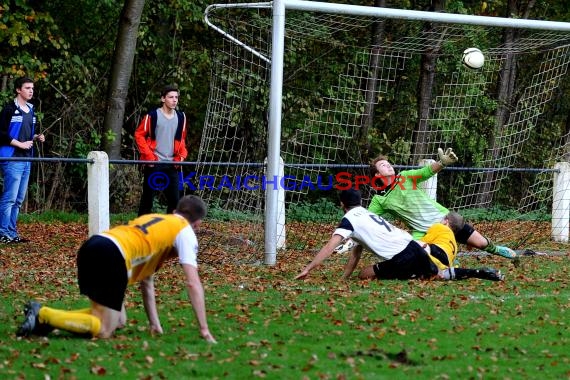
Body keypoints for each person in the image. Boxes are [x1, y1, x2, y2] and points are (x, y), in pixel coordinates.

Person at [16, 195, 217, 343]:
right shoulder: (185, 231)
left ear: (175, 211)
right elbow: (193, 283)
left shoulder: (159, 221)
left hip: (95, 244)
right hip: (112, 255)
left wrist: (155, 325)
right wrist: (204, 330)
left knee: (119, 320)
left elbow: (146, 282)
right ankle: (43, 314)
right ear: (197, 224)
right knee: (105, 329)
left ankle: (44, 319)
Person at [295, 189, 503, 282]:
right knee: (437, 275)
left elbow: (329, 247)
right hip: (413, 246)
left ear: (342, 205)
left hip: (403, 255)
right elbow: (355, 253)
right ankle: (479, 272)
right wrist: (343, 278)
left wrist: (308, 268)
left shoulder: (350, 221)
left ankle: (412, 273)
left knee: (365, 275)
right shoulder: (367, 214)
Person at [367, 148, 518, 260]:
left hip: (445, 219)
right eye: (383, 165)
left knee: (482, 243)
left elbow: (427, 171)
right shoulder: (379, 200)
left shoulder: (405, 177)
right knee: (420, 256)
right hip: (423, 232)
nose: (388, 166)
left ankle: (496, 249)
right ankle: (450, 263)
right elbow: (367, 220)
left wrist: (442, 163)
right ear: (378, 175)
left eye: (388, 163)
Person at [0, 77, 45, 244]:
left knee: (18, 199)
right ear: (18, 90)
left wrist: (36, 137)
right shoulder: (9, 109)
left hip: (27, 159)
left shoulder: (31, 110)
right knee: (9, 198)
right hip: (12, 158)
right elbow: (2, 134)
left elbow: (26, 134)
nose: (31, 91)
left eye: (32, 88)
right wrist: (20, 144)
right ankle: (3, 232)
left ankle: (11, 232)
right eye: (27, 88)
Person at [135, 84, 188, 216]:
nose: (174, 100)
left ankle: (170, 229)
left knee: (175, 201)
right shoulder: (152, 116)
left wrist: (180, 156)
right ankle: (140, 228)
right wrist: (149, 157)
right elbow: (139, 135)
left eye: (176, 97)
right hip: (154, 163)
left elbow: (181, 140)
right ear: (163, 99)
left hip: (171, 164)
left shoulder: (181, 117)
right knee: (148, 199)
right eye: (171, 97)